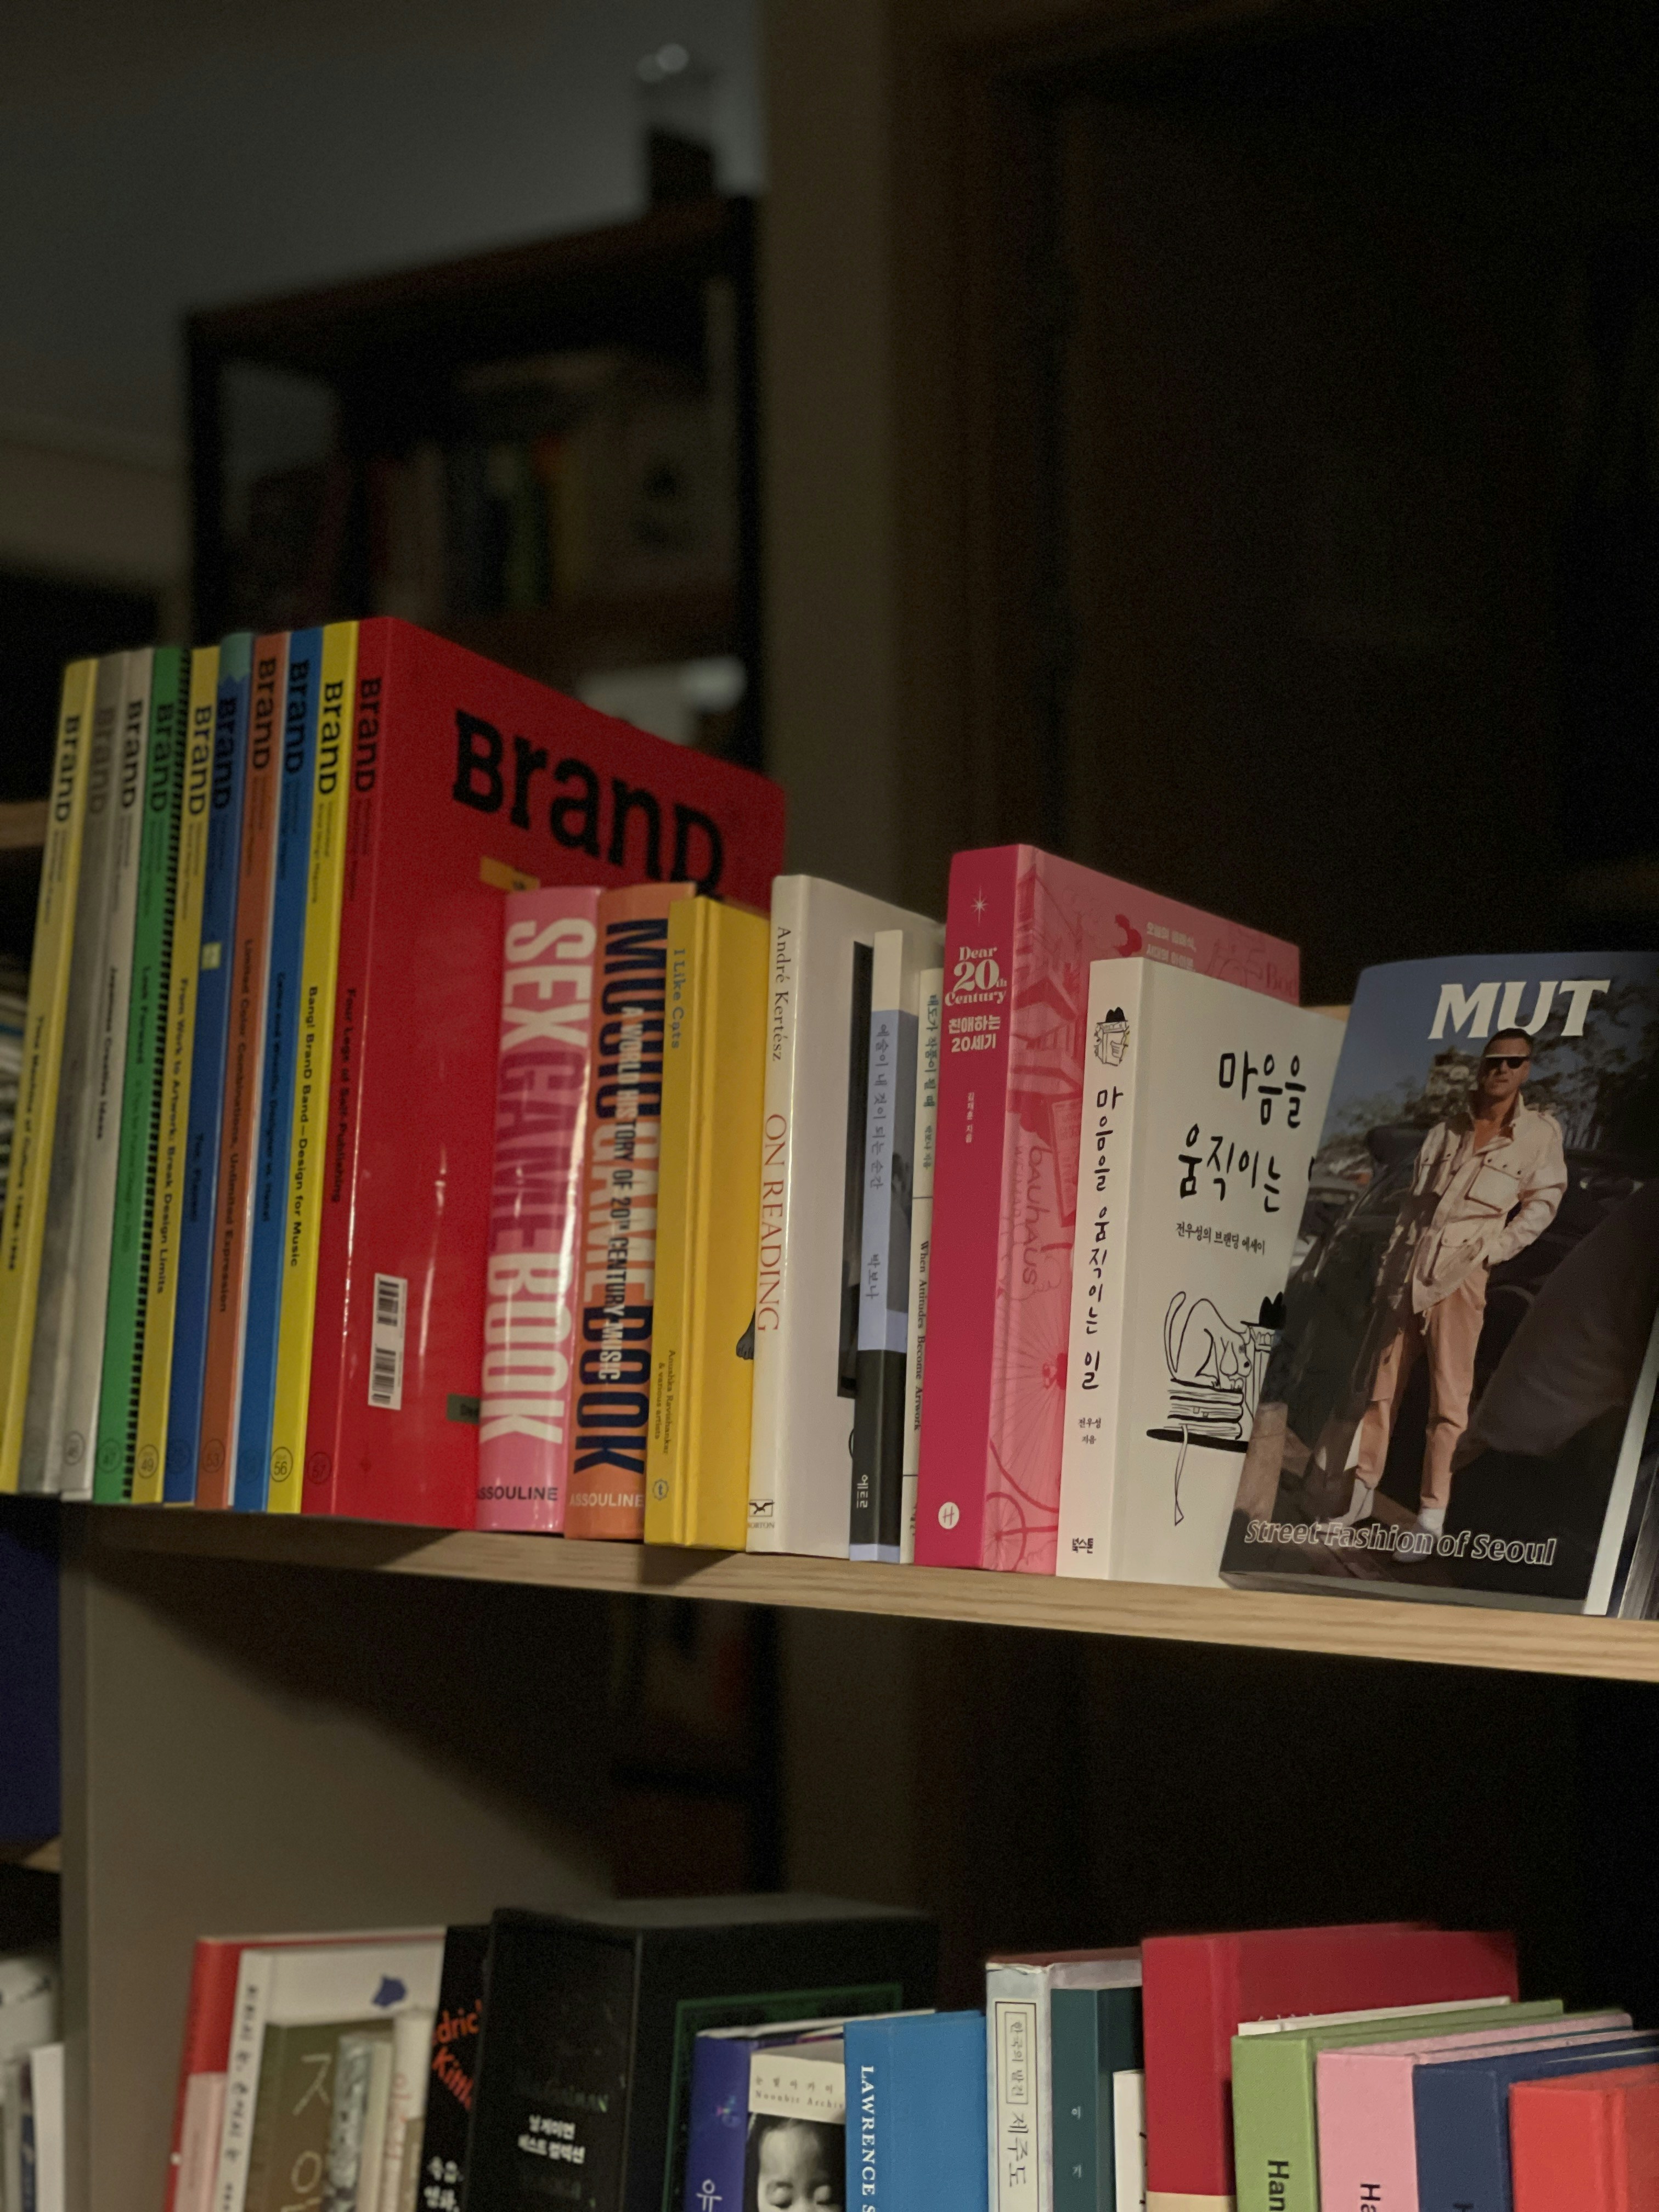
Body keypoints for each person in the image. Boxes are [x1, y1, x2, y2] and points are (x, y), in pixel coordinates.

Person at [1323, 1027, 1567, 1534]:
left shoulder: (1539, 1134)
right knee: (1379, 1393)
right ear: (1481, 1066)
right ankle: (1358, 1501)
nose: (1500, 1070)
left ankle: (1430, 1518)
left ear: (1526, 1070)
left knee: (1449, 1405)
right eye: (1493, 1061)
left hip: (1460, 1280)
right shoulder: (1444, 1131)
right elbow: (1410, 1213)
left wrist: (1492, 1253)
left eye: (1512, 1063)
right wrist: (1391, 1271)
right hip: (1407, 1278)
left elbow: (1543, 1203)